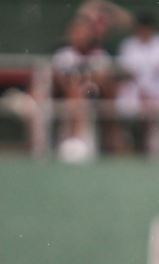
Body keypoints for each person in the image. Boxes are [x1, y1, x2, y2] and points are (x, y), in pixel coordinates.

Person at [115, 12, 159, 156]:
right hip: (135, 92)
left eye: (147, 28)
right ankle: (128, 146)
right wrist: (142, 92)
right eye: (141, 28)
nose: (144, 31)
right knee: (123, 104)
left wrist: (150, 93)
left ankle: (157, 149)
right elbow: (127, 74)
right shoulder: (128, 45)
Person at [52, 15, 114, 161]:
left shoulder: (98, 53)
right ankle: (75, 139)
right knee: (75, 92)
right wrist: (74, 84)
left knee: (83, 91)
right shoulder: (64, 53)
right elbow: (60, 79)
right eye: (76, 30)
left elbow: (102, 80)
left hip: (94, 95)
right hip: (66, 95)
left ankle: (109, 144)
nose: (80, 34)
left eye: (84, 30)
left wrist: (86, 81)